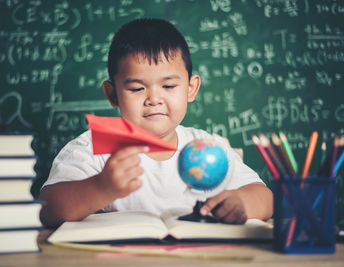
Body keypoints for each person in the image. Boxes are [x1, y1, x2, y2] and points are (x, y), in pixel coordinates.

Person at [39, 18, 273, 228]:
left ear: (191, 89)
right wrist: (101, 187)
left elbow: (265, 198)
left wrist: (242, 202)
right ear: (112, 95)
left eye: (169, 86)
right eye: (137, 88)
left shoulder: (208, 148)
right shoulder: (94, 146)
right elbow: (49, 209)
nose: (154, 99)